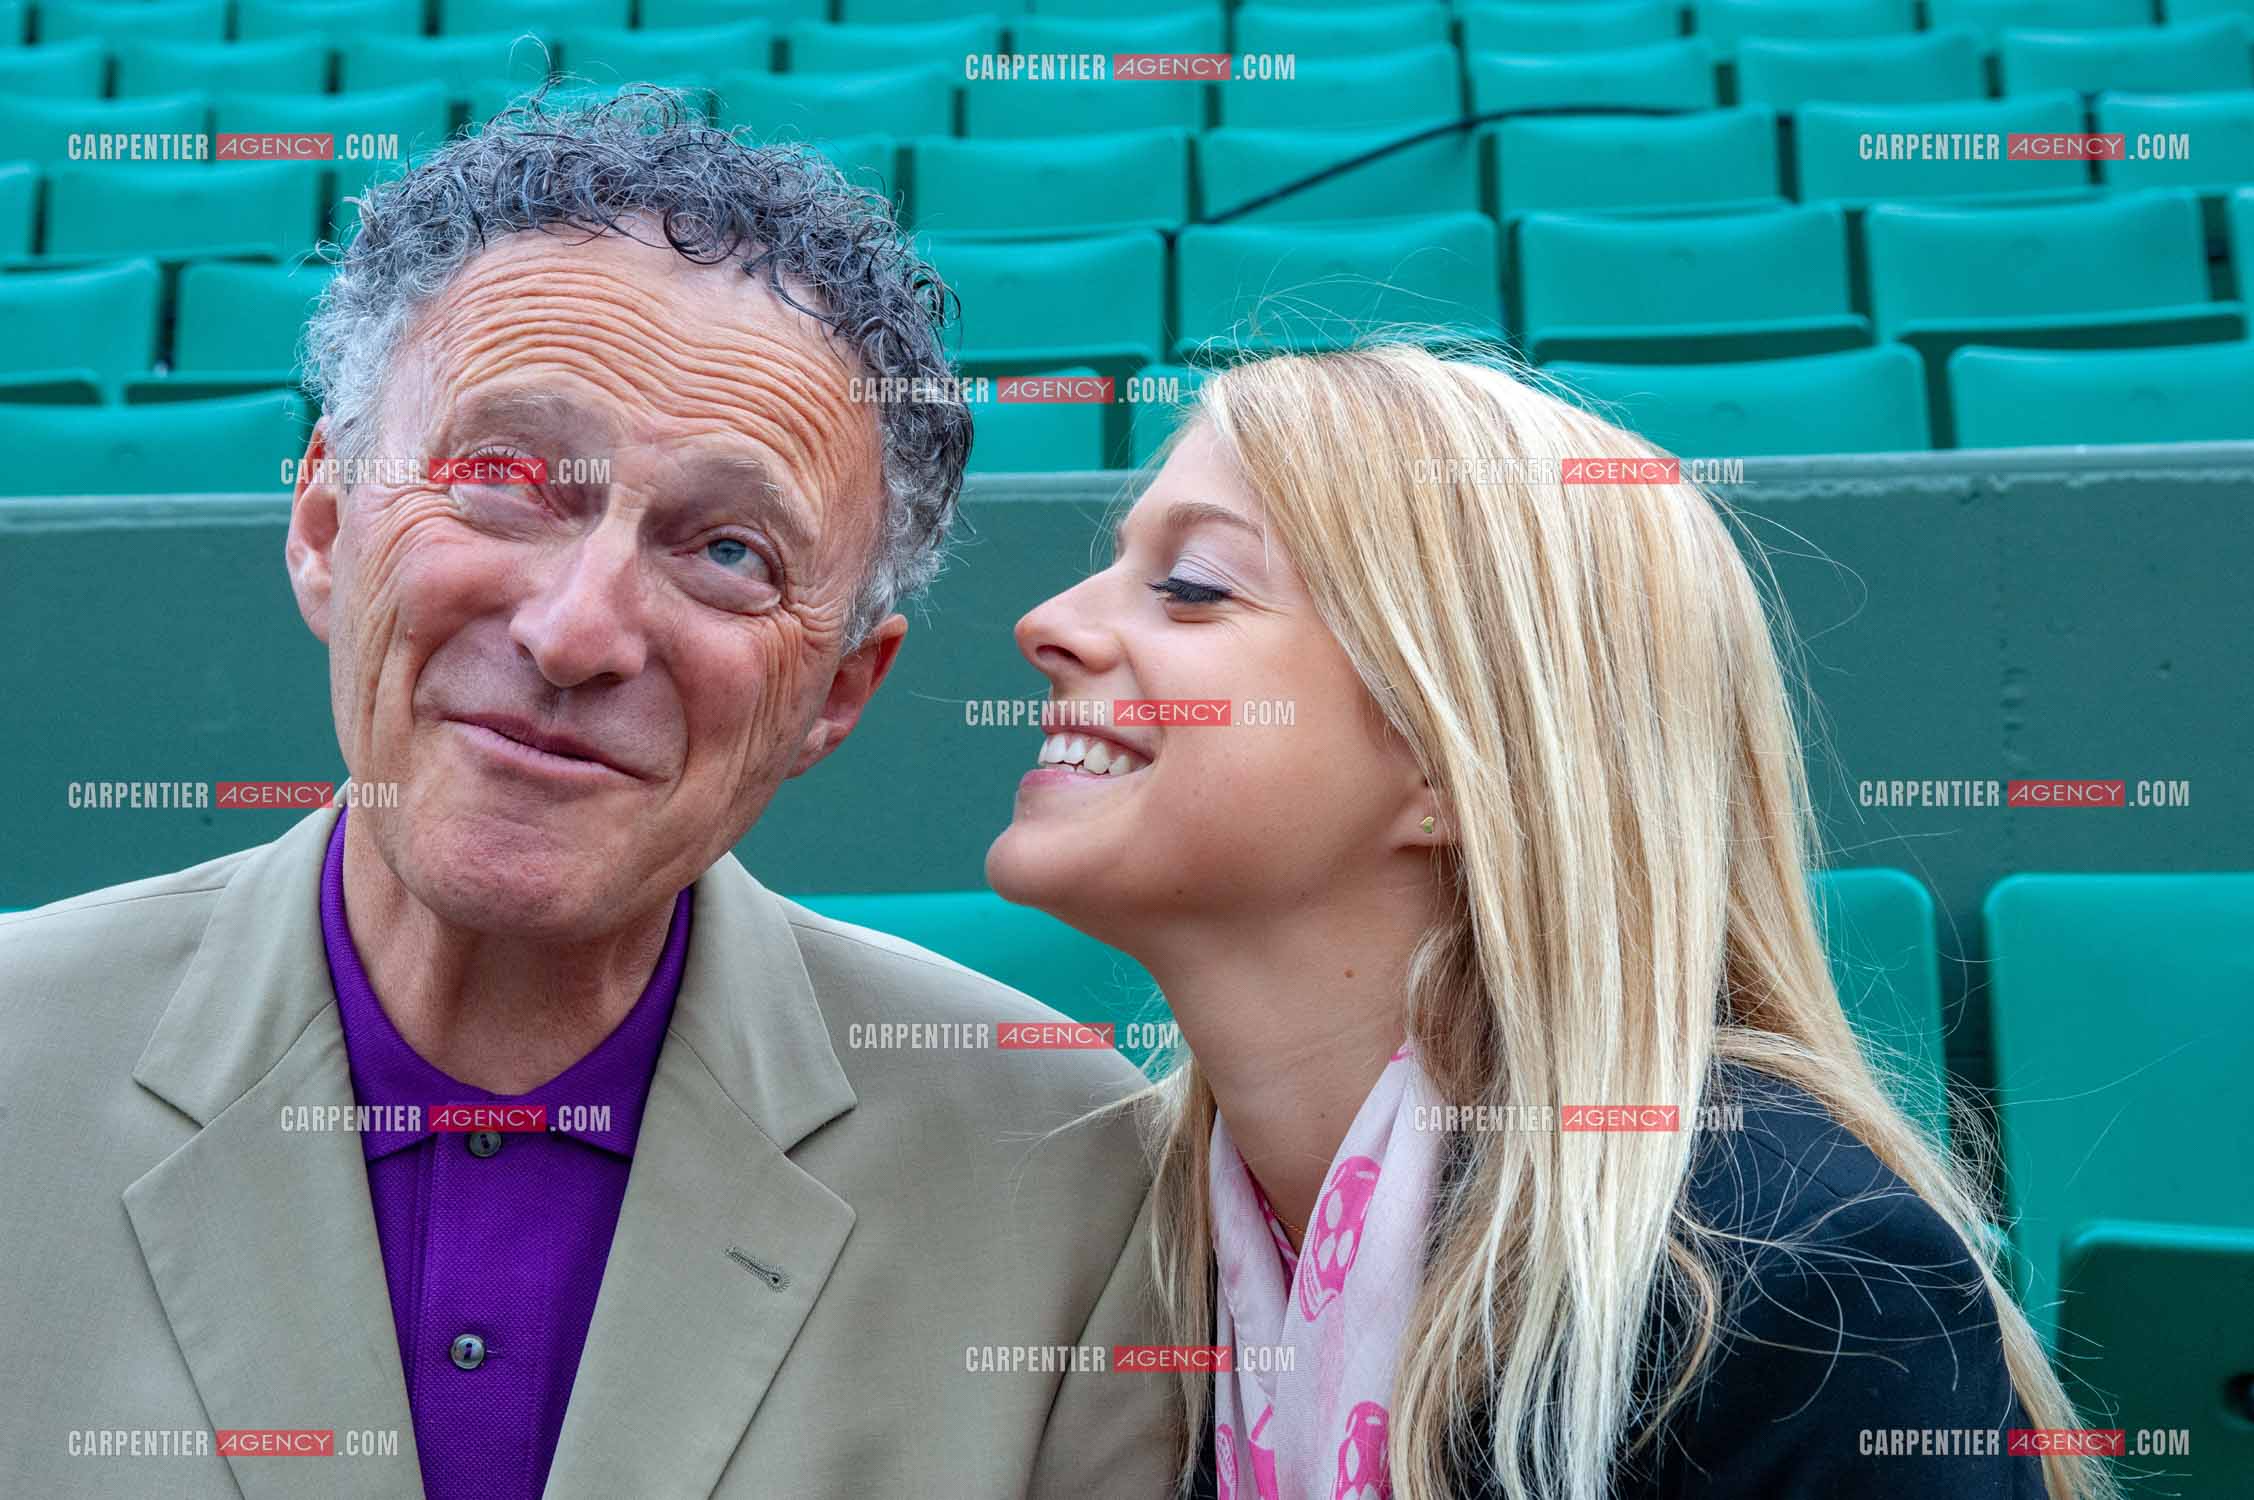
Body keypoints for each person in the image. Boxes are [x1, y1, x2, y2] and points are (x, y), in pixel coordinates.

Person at [0, 92, 1170, 1500]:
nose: (574, 633)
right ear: (324, 520)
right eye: (501, 477)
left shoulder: (1070, 1177)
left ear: (838, 693)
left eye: (729, 552)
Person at [986, 343, 2119, 1500]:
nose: (1047, 623)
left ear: (1449, 757)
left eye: (1193, 586)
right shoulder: (1125, 1255)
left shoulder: (1800, 1286)